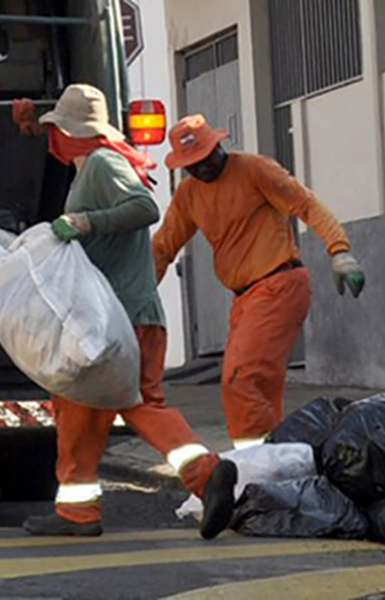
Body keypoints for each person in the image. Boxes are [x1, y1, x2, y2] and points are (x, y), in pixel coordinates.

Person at [14, 85, 236, 539]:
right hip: (131, 315)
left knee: (94, 405)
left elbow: (143, 208)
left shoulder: (102, 162)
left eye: (57, 129)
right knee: (93, 407)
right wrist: (33, 125)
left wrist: (84, 222)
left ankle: (204, 473)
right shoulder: (99, 162)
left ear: (72, 132)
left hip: (113, 319)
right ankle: (81, 510)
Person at [153, 114, 365, 450]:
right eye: (192, 164)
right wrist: (137, 296)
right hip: (245, 298)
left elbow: (306, 205)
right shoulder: (189, 195)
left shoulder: (254, 170)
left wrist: (340, 252)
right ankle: (279, 460)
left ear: (219, 146)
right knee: (261, 387)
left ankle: (259, 462)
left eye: (206, 158)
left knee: (241, 379)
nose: (202, 168)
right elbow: (163, 246)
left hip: (279, 284)